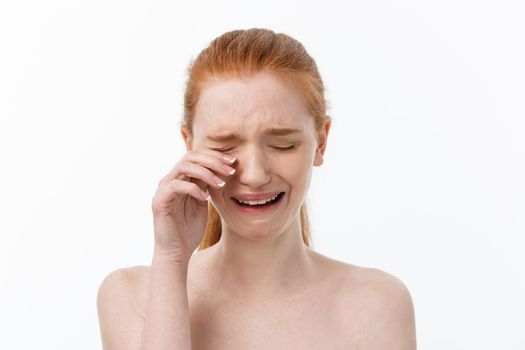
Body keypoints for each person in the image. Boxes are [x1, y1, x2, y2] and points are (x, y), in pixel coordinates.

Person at [96, 28, 417, 350]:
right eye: (225, 146)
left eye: (283, 145)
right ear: (189, 145)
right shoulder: (133, 296)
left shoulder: (377, 304)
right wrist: (172, 258)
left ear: (321, 142)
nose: (254, 175)